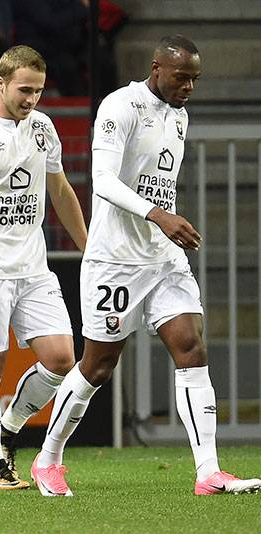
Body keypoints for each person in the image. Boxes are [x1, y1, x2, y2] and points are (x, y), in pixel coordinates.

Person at [33, 35, 261, 497]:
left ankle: (208, 473)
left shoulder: (179, 115)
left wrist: (163, 222)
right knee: (97, 366)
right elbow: (101, 181)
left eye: (195, 80)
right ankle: (48, 458)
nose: (189, 88)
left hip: (163, 258)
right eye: (182, 78)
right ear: (157, 68)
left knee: (191, 347)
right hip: (115, 259)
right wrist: (159, 214)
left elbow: (158, 183)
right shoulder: (121, 106)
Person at [0, 45, 87, 490]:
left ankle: (8, 427)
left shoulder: (42, 128)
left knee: (62, 360)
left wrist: (90, 248)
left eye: (39, 91)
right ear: (1, 83)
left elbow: (60, 190)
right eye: (25, 90)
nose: (32, 100)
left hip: (33, 267)